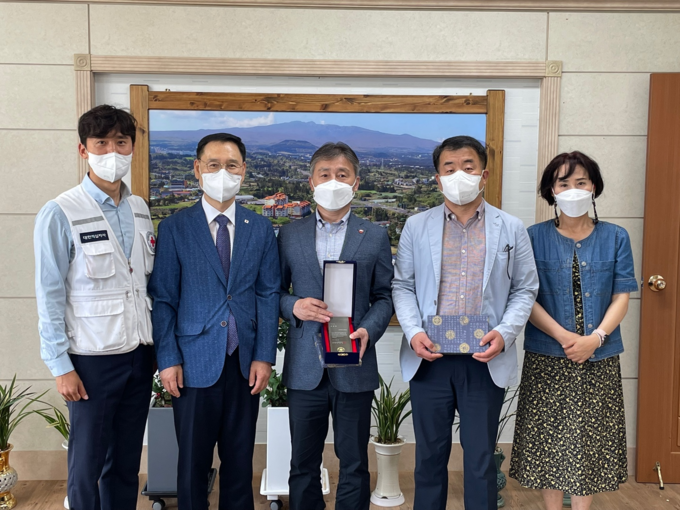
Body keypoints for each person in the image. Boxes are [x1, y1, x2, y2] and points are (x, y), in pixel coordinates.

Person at [393, 135, 538, 510]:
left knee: (480, 461)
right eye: (450, 168)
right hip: (429, 357)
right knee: (429, 459)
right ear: (438, 179)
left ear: (484, 175)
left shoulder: (511, 227)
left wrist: (505, 334)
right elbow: (403, 286)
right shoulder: (416, 226)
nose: (459, 174)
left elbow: (525, 288)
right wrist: (414, 332)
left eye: (468, 167)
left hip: (484, 358)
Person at [148, 133, 280, 510]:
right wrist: (167, 359)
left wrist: (264, 356)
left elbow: (268, 294)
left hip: (244, 364)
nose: (224, 172)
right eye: (214, 165)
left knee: (239, 463)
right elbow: (164, 299)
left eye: (232, 165)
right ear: (197, 169)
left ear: (244, 171)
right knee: (192, 464)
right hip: (191, 365)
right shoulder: (175, 228)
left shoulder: (260, 228)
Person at [34, 105, 155, 510]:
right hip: (91, 359)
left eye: (121, 142)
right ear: (83, 149)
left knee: (125, 462)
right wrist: (60, 365)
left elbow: (143, 282)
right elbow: (49, 293)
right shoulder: (61, 211)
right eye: (101, 142)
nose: (112, 151)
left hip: (139, 353)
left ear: (132, 147)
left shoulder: (139, 209)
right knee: (87, 462)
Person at [510, 151, 638, 510]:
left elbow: (622, 296)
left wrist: (595, 338)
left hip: (599, 354)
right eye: (564, 183)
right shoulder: (532, 237)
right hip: (548, 354)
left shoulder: (616, 236)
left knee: (588, 441)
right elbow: (525, 296)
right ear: (551, 190)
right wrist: (565, 337)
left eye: (581, 182)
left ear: (593, 186)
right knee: (550, 440)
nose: (573, 190)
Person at [278, 142, 394, 510]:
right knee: (302, 463)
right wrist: (294, 306)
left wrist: (369, 330)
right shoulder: (289, 234)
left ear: (356, 182)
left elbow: (384, 296)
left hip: (354, 364)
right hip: (305, 368)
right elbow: (273, 292)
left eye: (342, 175)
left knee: (355, 462)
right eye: (325, 174)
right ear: (311, 182)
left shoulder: (373, 235)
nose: (333, 181)